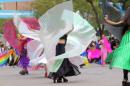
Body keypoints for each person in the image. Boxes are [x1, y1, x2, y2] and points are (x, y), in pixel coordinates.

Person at [105, 7, 130, 85]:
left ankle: (125, 78)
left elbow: (116, 24)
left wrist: (107, 20)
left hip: (126, 38)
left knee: (125, 58)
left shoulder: (126, 21)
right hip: (127, 38)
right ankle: (125, 79)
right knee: (126, 59)